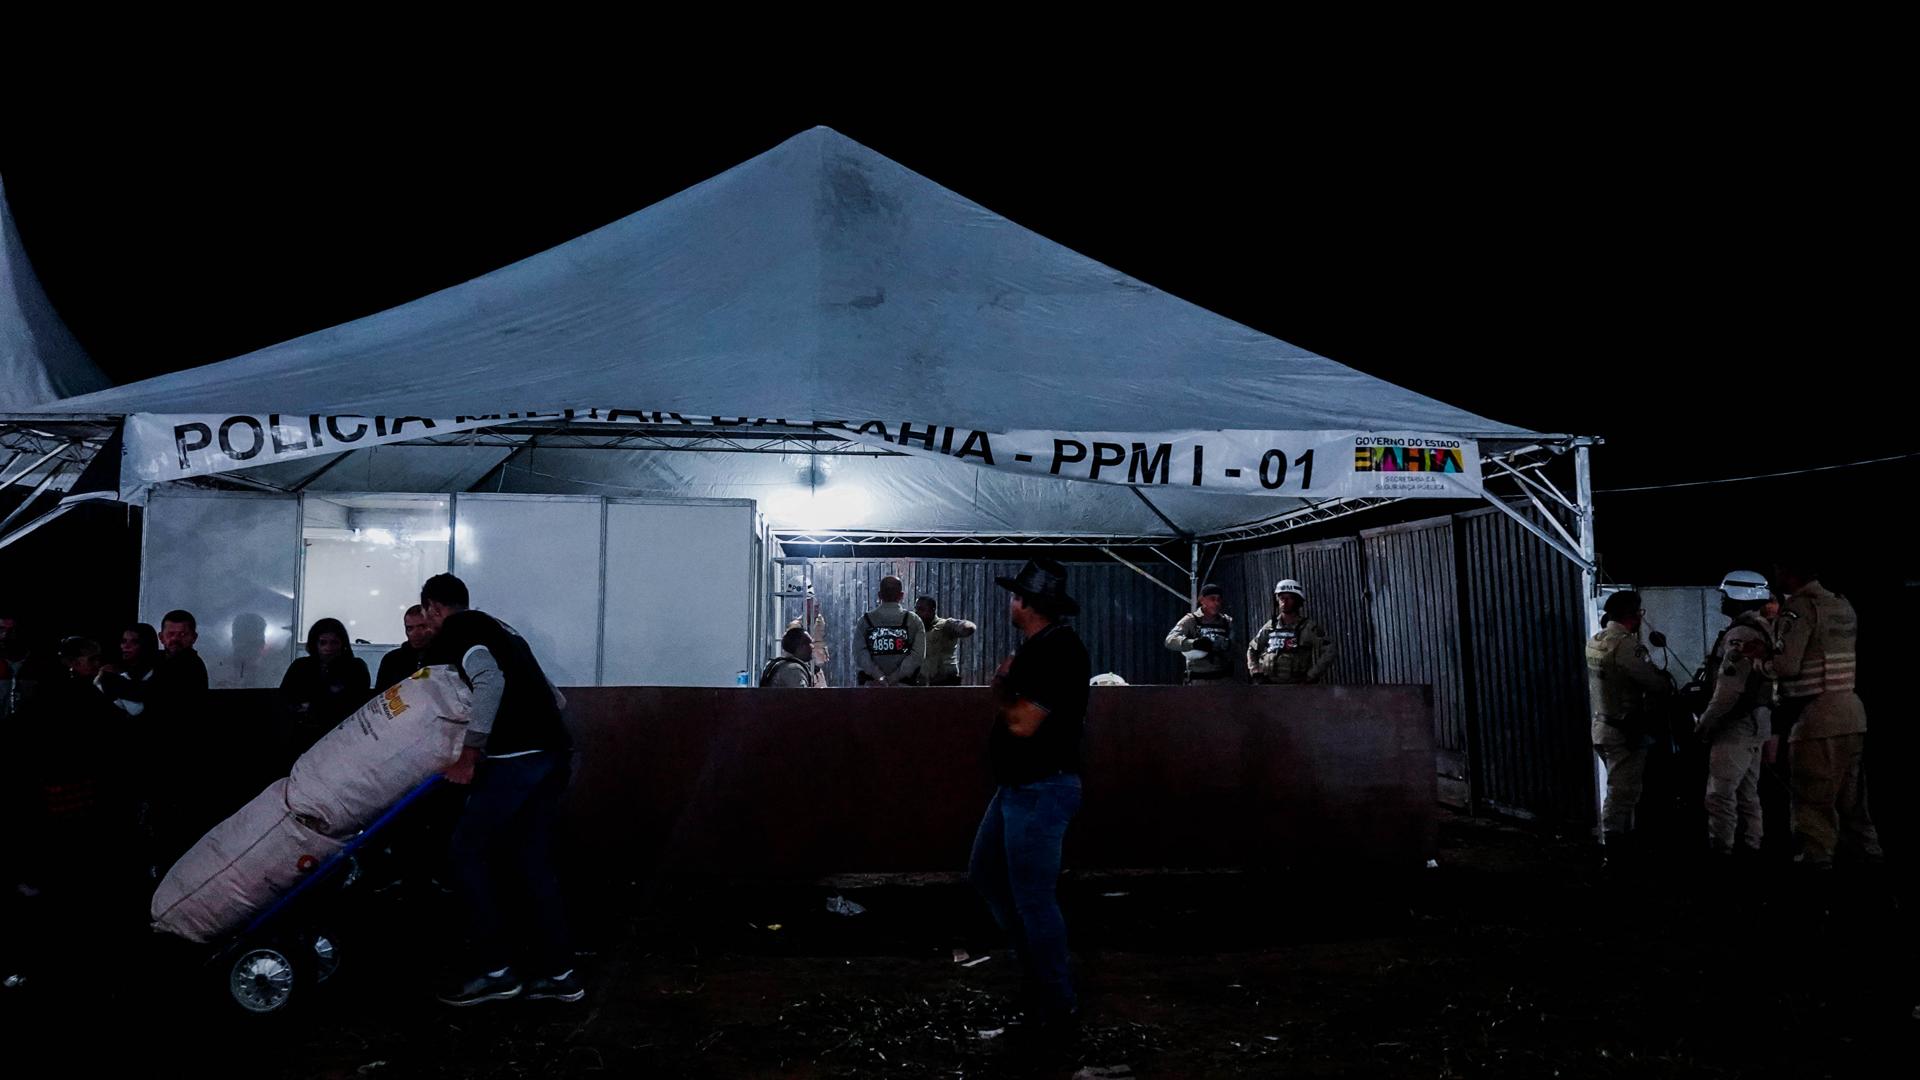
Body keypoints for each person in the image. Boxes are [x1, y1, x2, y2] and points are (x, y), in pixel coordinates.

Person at [420, 573, 582, 1006]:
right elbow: (556, 698)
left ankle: (497, 971)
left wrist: (470, 753)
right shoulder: (501, 629)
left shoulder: (461, 630)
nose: (427, 625)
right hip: (553, 754)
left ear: (435, 608)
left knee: (465, 853)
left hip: (516, 760)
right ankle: (561, 974)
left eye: (427, 617)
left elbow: (490, 682)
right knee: (531, 859)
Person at [968, 558, 1090, 1042]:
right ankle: (1040, 977)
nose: (1010, 603)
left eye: (1015, 597)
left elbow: (1022, 723)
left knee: (1032, 898)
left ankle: (1055, 1002)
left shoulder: (1055, 651)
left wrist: (1001, 686)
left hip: (1040, 788)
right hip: (1022, 787)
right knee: (989, 875)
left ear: (1027, 604)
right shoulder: (1043, 647)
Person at [1751, 556, 1881, 870]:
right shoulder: (1841, 604)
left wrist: (1759, 660)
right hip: (1852, 713)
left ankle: (1816, 876)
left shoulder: (1799, 608)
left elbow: (1787, 666)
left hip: (1816, 718)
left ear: (1789, 571)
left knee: (1813, 809)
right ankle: (1872, 869)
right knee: (1853, 805)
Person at [1692, 571, 1774, 859]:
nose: (1722, 601)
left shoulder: (1740, 635)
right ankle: (1752, 847)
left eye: (1725, 596)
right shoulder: (1763, 628)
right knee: (1747, 794)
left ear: (1740, 596)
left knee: (1720, 795)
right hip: (1756, 722)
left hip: (1734, 725)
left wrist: (1705, 723)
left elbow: (1728, 690)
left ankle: (1722, 851)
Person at [1586, 590, 1672, 859]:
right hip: (1625, 730)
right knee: (1623, 793)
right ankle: (1614, 853)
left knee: (1618, 789)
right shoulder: (1626, 646)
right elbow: (1653, 683)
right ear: (1632, 615)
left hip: (1602, 725)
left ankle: (1618, 845)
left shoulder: (1596, 640)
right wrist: (1664, 680)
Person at [280, 617, 373, 760]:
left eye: (334, 642)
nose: (328, 648)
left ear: (342, 644)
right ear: (314, 644)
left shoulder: (355, 668)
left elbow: (354, 704)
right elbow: (285, 700)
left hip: (342, 738)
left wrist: (312, 706)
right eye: (323, 642)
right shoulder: (300, 667)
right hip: (302, 739)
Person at [1246, 580, 1335, 684]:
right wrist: (1255, 670)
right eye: (1281, 598)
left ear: (1297, 601)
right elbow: (1252, 648)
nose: (1284, 601)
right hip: (1268, 685)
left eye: (1289, 598)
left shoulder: (1308, 627)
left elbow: (1330, 651)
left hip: (1296, 686)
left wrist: (1311, 675)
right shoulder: (1271, 626)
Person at [854, 575, 926, 687]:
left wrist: (879, 676)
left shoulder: (865, 621)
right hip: (904, 687)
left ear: (879, 595)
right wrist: (894, 678)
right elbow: (917, 656)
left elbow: (860, 654)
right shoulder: (914, 621)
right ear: (901, 596)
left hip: (872, 687)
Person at [1165, 583, 1235, 684]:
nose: (1216, 603)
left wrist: (1226, 644)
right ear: (1202, 600)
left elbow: (1237, 647)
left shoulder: (1227, 621)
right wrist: (1194, 643)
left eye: (1219, 599)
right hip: (1198, 681)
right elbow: (1170, 640)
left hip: (1223, 680)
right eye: (1212, 599)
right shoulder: (1191, 620)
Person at [95, 623, 160, 716]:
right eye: (124, 641)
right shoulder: (111, 672)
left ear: (147, 645)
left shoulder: (161, 672)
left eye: (134, 642)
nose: (126, 646)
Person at [916, 595, 977, 686]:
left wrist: (964, 626)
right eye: (916, 609)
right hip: (923, 682)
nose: (917, 613)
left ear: (932, 610)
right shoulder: (916, 629)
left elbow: (966, 627)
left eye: (921, 609)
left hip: (945, 681)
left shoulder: (945, 625)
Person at [376, 605, 438, 692]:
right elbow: (380, 695)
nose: (415, 633)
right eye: (410, 628)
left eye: (422, 627)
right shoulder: (392, 660)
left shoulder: (444, 658)